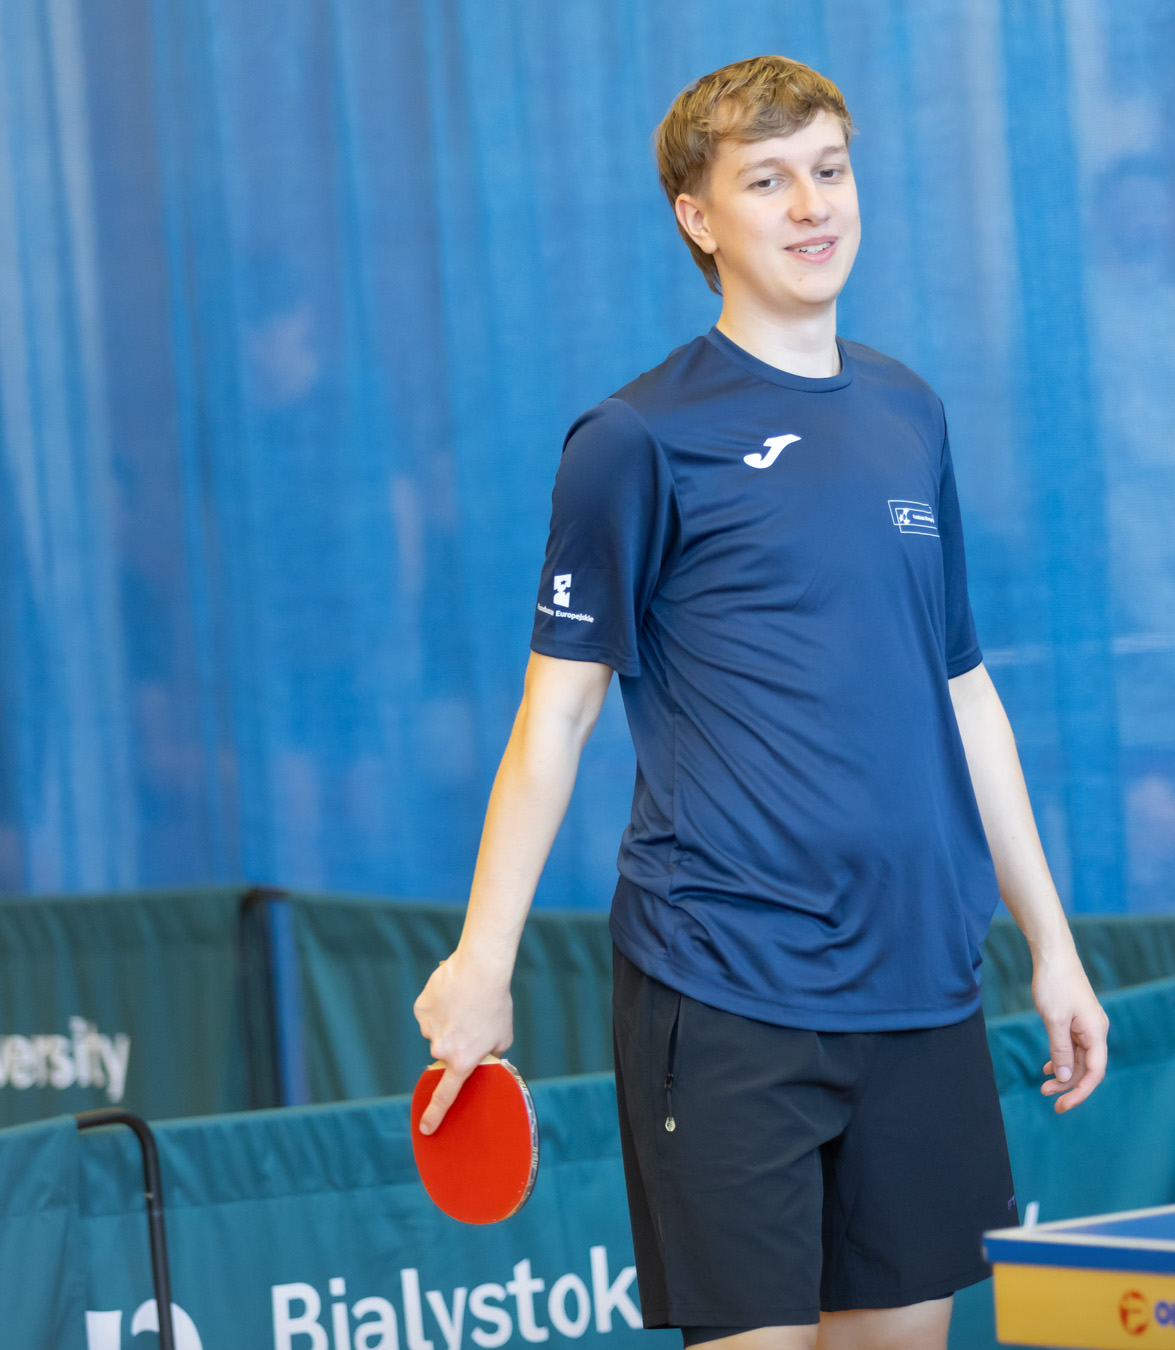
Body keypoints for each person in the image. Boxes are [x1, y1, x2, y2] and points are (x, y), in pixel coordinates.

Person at [410, 55, 1109, 1350]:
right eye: (769, 180)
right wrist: (481, 961)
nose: (812, 205)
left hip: (922, 983)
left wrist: (1050, 945)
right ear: (698, 216)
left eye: (829, 171)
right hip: (726, 986)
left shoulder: (909, 412)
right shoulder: (634, 440)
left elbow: (964, 691)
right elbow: (553, 720)